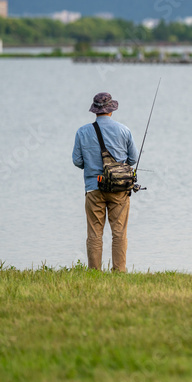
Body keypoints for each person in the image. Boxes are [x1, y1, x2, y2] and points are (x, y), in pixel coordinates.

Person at [72, 92, 138, 272]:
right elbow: (133, 159)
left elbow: (77, 161)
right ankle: (119, 271)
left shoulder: (82, 131)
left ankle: (94, 272)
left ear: (95, 110)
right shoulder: (124, 130)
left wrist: (93, 166)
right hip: (119, 189)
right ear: (111, 110)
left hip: (93, 188)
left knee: (94, 234)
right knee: (119, 233)